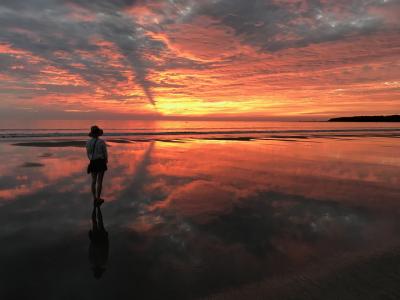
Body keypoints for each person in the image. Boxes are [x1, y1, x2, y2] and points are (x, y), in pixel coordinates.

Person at [86, 125, 108, 206]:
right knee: (99, 181)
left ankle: (94, 198)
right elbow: (105, 153)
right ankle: (98, 198)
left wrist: (91, 159)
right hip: (101, 162)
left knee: (93, 181)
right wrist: (106, 160)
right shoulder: (101, 142)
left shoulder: (88, 142)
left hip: (93, 162)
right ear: (98, 134)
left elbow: (88, 153)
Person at [88, 204, 109, 279]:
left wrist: (106, 238)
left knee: (98, 222)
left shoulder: (102, 261)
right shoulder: (93, 261)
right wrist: (91, 239)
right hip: (98, 239)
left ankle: (97, 207)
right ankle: (96, 207)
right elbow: (91, 249)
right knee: (96, 222)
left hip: (99, 239)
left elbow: (106, 249)